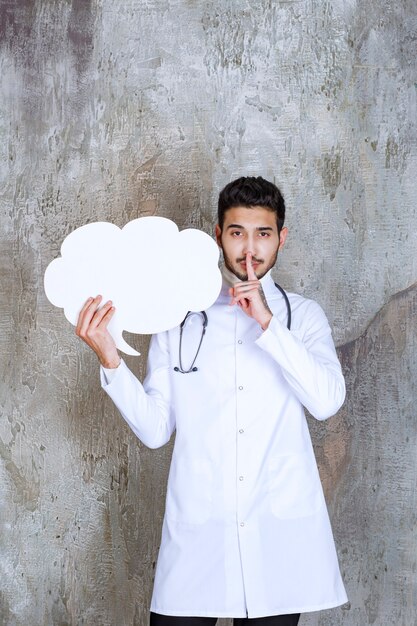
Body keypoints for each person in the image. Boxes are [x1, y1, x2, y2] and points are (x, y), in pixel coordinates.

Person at [76, 176, 348, 626]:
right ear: (218, 235)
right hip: (199, 538)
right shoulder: (179, 320)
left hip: (276, 541)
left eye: (263, 234)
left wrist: (267, 323)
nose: (249, 250)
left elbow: (325, 402)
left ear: (281, 238)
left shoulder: (303, 316)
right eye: (237, 233)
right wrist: (110, 360)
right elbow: (154, 429)